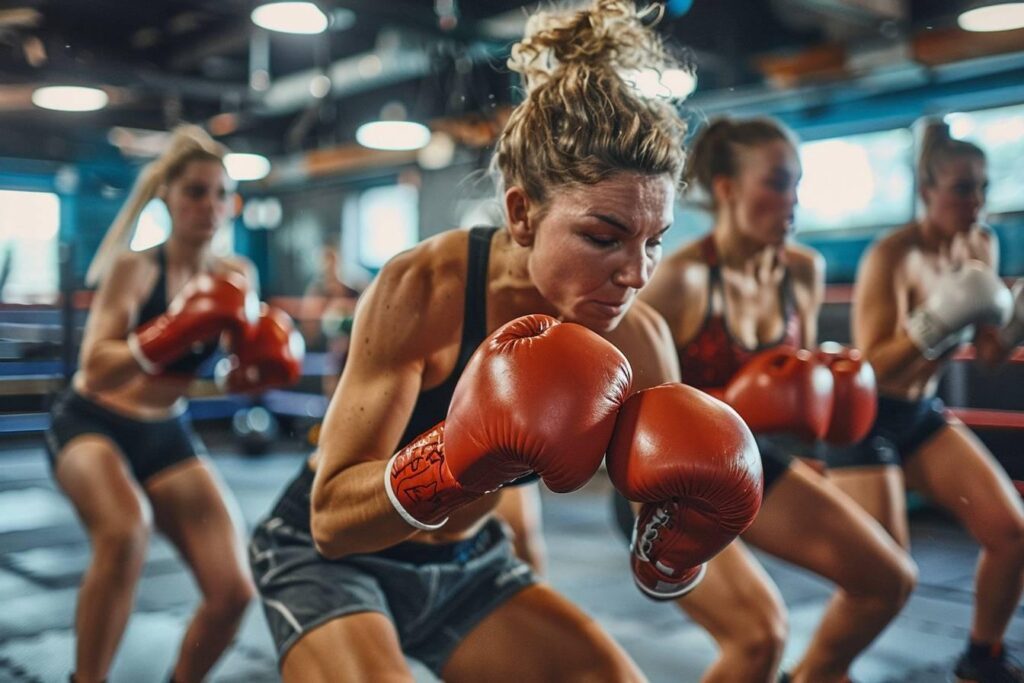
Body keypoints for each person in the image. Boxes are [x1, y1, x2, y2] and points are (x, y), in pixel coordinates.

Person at [247, 3, 763, 681]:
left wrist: (683, 549)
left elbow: (655, 553)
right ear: (522, 213)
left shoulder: (640, 342)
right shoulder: (426, 288)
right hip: (330, 562)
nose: (636, 273)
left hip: (466, 564)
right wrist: (455, 457)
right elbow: (332, 520)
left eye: (654, 240)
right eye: (603, 237)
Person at [636, 116, 918, 683]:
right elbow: (633, 407)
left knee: (888, 581)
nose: (792, 200)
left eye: (798, 185)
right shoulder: (682, 281)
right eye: (778, 183)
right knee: (759, 638)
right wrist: (731, 402)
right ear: (727, 189)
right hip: (671, 487)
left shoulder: (802, 271)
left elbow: (799, 388)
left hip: (757, 464)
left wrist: (829, 396)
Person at [44, 125, 301, 683]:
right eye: (195, 191)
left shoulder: (237, 275)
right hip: (93, 424)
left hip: (166, 431)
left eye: (219, 193)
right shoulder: (135, 268)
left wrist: (262, 365)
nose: (209, 206)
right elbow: (94, 365)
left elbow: (236, 377)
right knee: (125, 530)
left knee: (233, 590)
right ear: (168, 195)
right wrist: (170, 329)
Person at [830, 119, 1024, 682]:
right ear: (927, 192)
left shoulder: (982, 244)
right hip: (866, 416)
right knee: (883, 574)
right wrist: (937, 319)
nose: (976, 202)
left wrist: (1014, 324)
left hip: (920, 414)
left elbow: (987, 355)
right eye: (963, 188)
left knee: (1011, 533)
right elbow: (869, 366)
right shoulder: (892, 255)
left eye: (984, 188)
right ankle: (819, 671)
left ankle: (981, 655)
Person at [299, 243, 361, 398]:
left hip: (352, 353)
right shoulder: (316, 291)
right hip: (324, 351)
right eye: (326, 260)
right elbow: (308, 327)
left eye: (333, 260)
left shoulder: (354, 289)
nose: (330, 265)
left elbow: (366, 320)